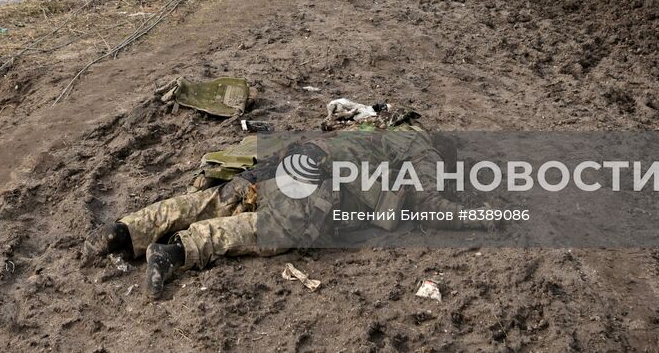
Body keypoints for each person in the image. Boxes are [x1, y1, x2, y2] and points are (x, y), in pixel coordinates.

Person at [88, 108, 464, 299]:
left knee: (216, 200)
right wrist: (482, 217)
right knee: (273, 228)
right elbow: (432, 203)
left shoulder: (372, 128)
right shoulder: (422, 147)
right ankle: (175, 251)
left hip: (285, 160)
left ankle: (125, 229)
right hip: (312, 179)